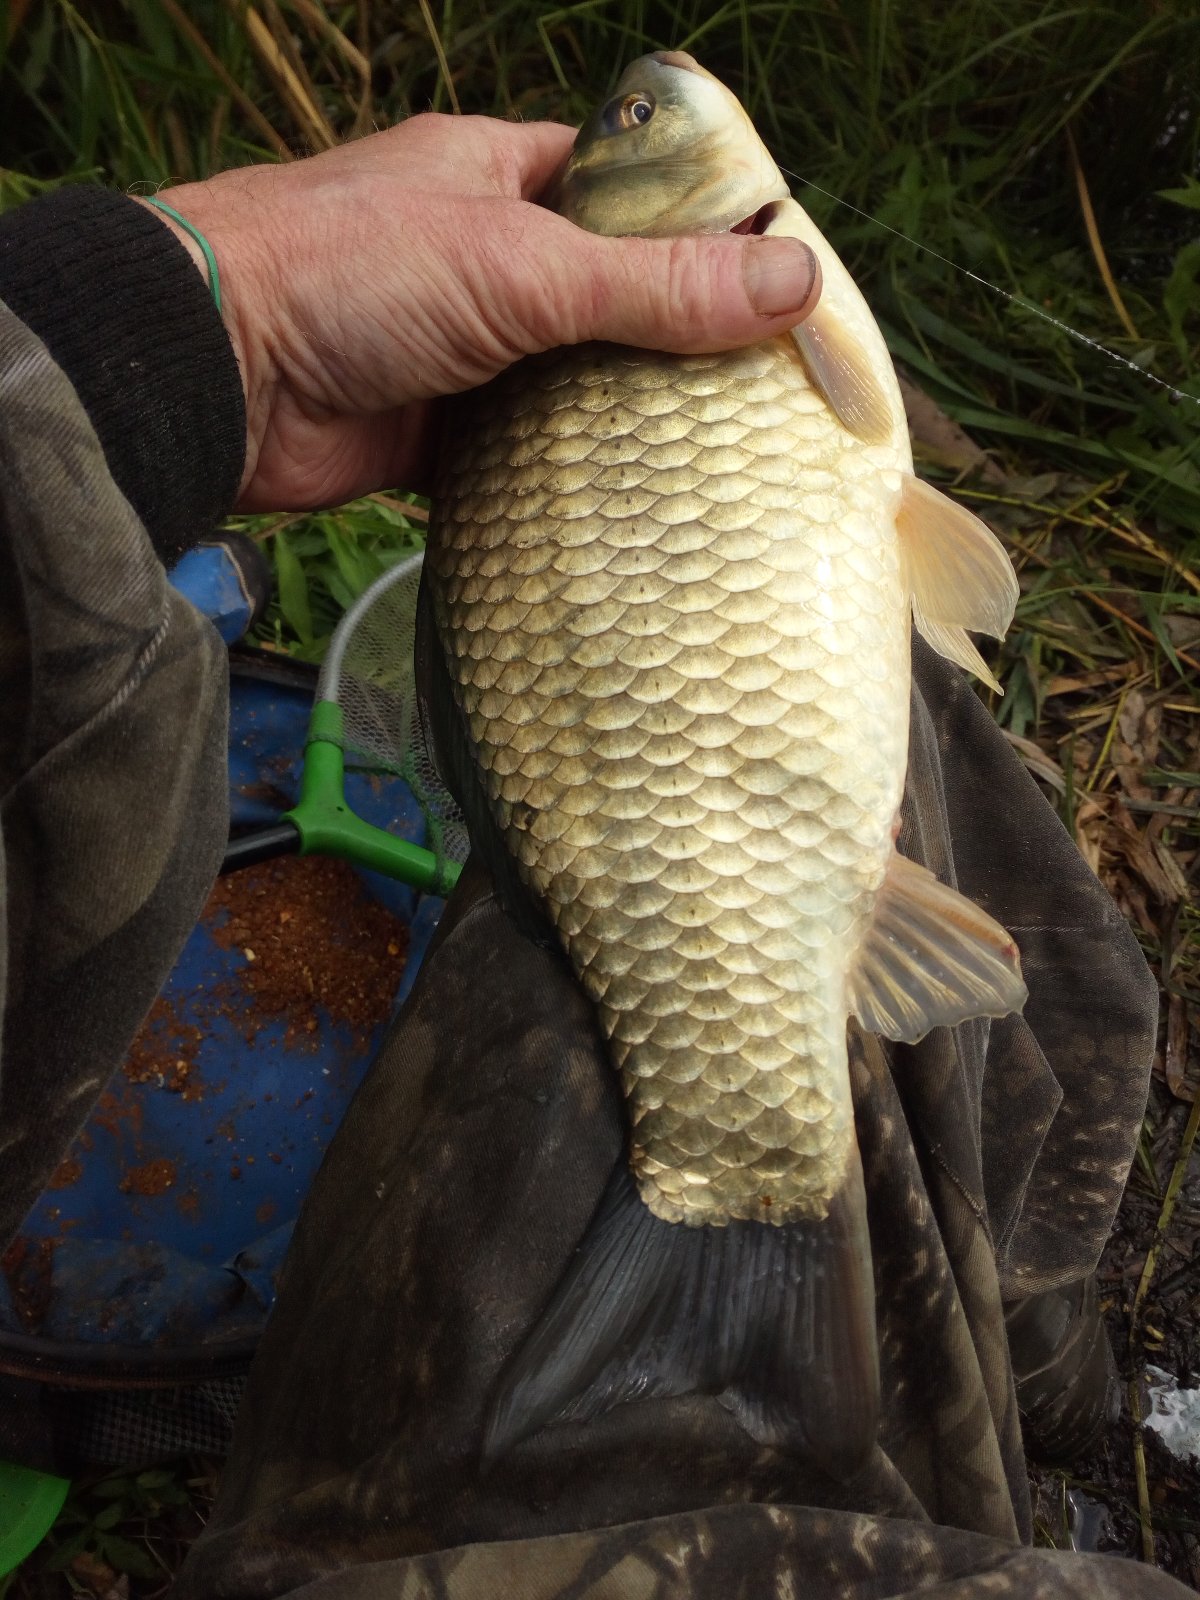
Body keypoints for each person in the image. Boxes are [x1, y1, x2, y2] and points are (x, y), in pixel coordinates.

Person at [0, 112, 1183, 1597]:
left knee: (884, 757)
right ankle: (1038, 1376)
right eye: (639, 116)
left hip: (649, 770)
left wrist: (206, 323)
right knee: (929, 739)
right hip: (680, 776)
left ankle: (1020, 1386)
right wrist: (198, 309)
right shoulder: (750, 268)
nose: (660, 99)